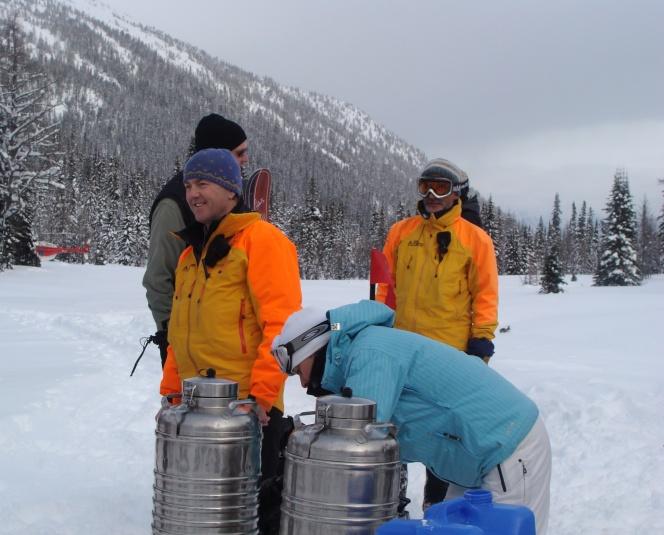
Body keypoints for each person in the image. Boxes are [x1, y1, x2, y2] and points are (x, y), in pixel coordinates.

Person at [272, 301, 551, 535]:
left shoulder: (370, 352)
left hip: (506, 445)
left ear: (311, 347)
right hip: (474, 459)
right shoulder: (360, 354)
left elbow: (360, 440)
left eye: (298, 372)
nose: (303, 383)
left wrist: (297, 462)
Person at [159, 148, 301, 535]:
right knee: (202, 515)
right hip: (195, 409)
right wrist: (171, 393)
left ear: (231, 191)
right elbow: (179, 332)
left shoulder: (262, 240)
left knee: (250, 515)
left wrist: (262, 396)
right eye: (189, 185)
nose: (193, 194)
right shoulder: (190, 254)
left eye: (203, 184)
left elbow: (281, 325)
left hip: (247, 410)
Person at [377, 158, 499, 508]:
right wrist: (375, 325)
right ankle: (392, 500)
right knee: (392, 427)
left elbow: (486, 295)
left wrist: (481, 344)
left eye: (440, 188)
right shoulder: (401, 232)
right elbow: (385, 288)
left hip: (448, 355)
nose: (431, 195)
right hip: (402, 351)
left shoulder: (475, 240)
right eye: (425, 186)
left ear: (456, 194)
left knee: (444, 436)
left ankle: (436, 506)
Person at [142, 113, 249, 366]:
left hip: (229, 350)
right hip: (187, 352)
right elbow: (159, 279)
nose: (246, 159)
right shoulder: (174, 205)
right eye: (239, 152)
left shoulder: (227, 199)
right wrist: (173, 336)